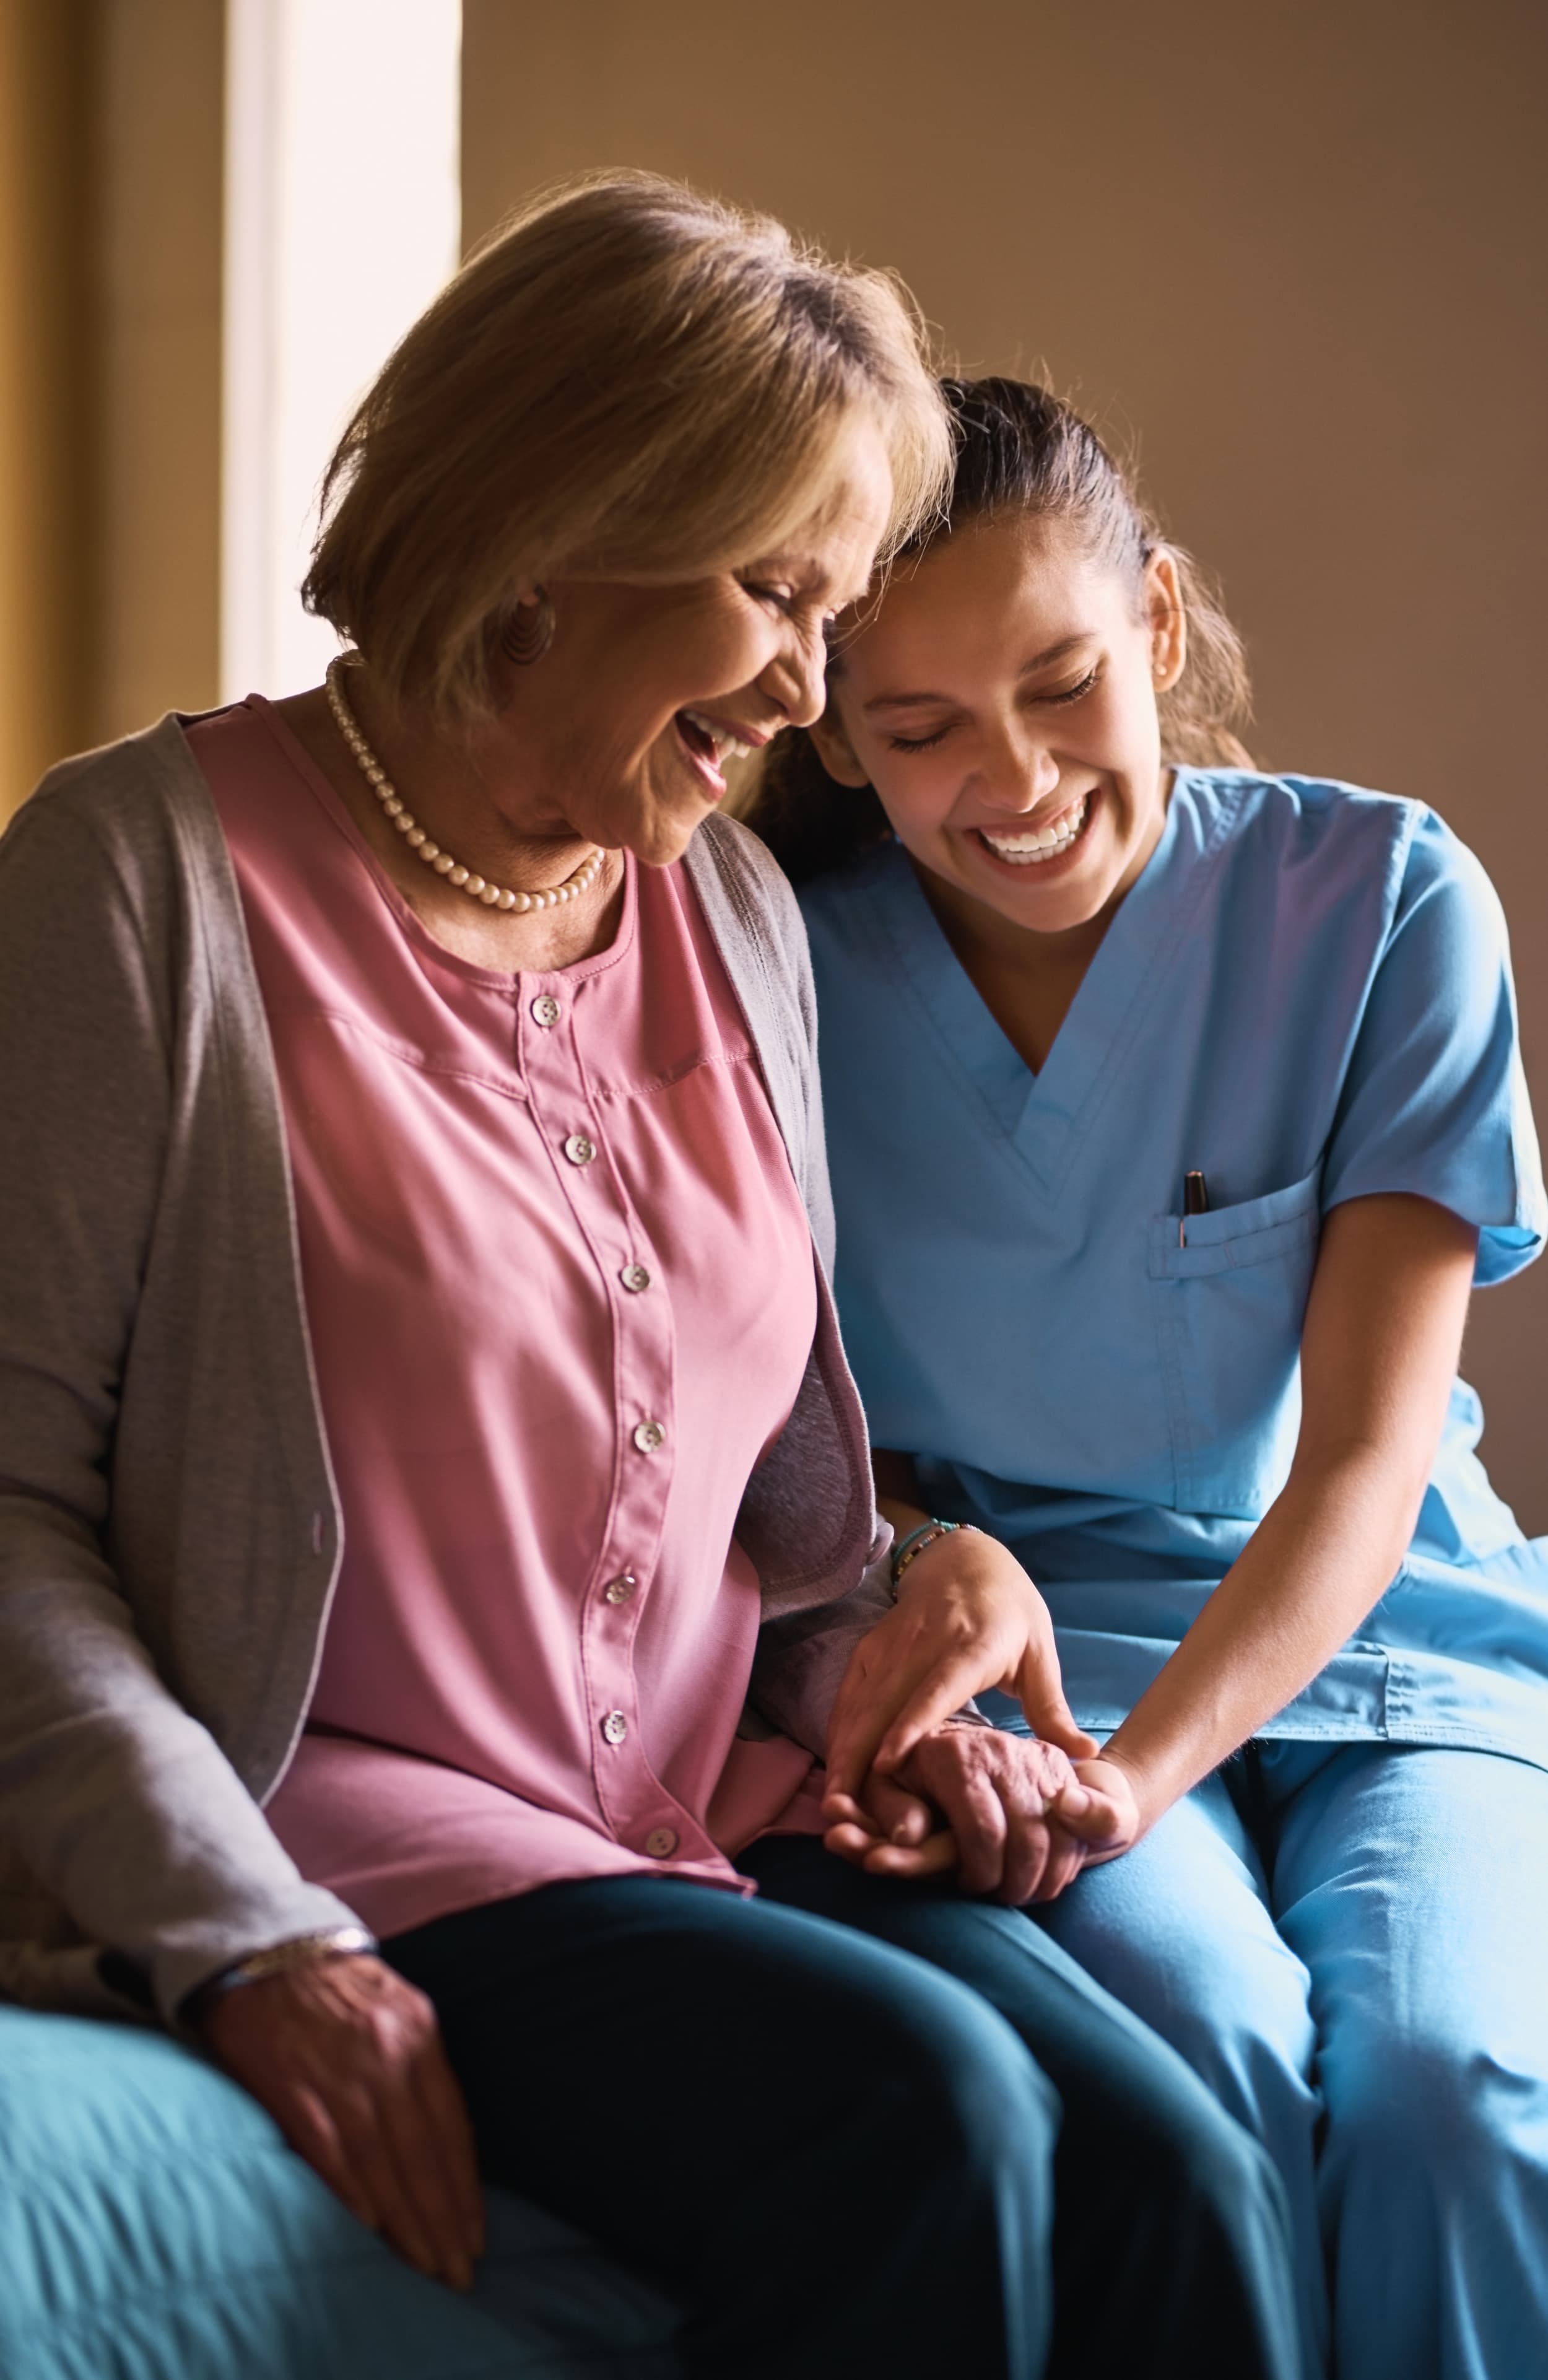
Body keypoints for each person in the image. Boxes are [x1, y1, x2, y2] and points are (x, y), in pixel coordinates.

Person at [0, 187, 1298, 2380]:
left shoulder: (733, 925)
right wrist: (237, 1937)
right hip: (358, 1819)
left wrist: (896, 1626)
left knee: (1184, 2171)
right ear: (546, 531)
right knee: (925, 2114)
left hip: (691, 1804)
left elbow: (744, 1529)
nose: (807, 686)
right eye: (774, 595)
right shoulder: (142, 879)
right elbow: (11, 1504)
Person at [750, 373, 1548, 2380]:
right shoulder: (774, 972)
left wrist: (1136, 1779)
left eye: (1061, 684)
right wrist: (1018, 1688)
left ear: (1162, 630)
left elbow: (1366, 1462)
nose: (1007, 779)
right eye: (917, 728)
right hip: (1044, 1656)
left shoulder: (1378, 902)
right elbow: (770, 1429)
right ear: (837, 733)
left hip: (1396, 1636)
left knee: (1456, 2095)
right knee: (1205, 2070)